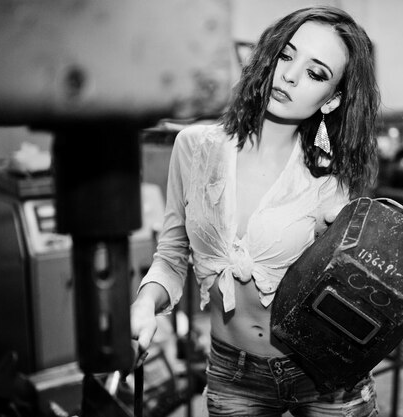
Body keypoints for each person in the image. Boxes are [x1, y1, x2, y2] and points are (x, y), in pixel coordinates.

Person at [131, 5, 380, 416]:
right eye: (286, 55)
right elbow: (172, 254)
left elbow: (351, 296)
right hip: (234, 375)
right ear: (267, 55)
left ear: (332, 98)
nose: (290, 76)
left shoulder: (331, 179)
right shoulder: (195, 148)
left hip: (324, 375)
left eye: (316, 73)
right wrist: (146, 302)